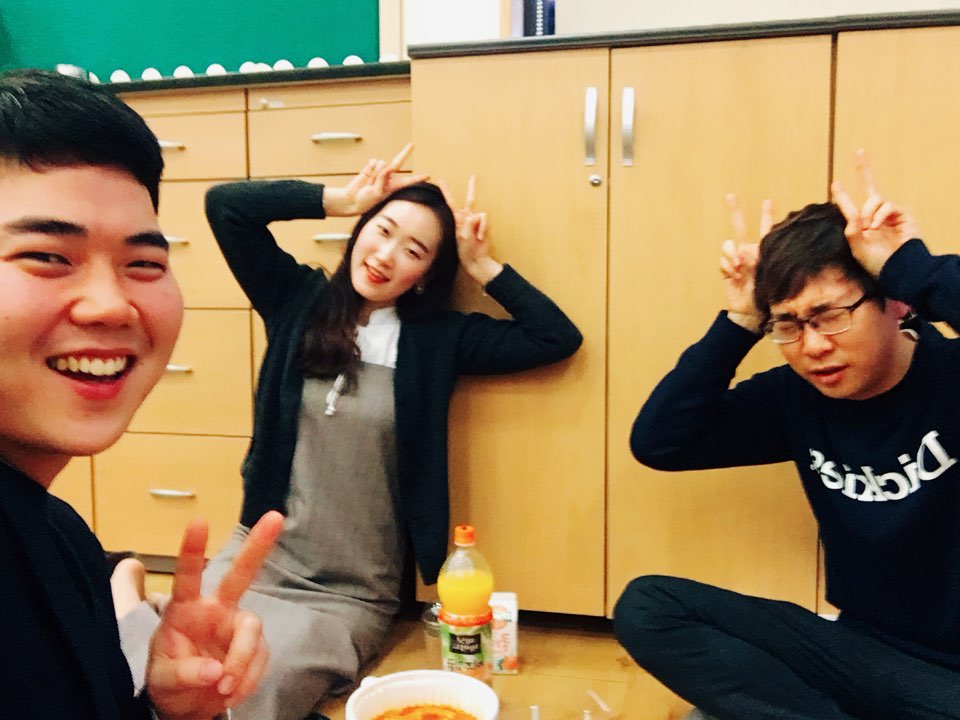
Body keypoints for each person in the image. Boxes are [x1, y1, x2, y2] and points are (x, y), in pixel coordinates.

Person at [117, 144, 583, 719]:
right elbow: (227, 207)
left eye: (413, 250)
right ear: (361, 229)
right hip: (259, 559)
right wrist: (337, 199)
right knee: (151, 668)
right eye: (382, 230)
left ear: (427, 274)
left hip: (352, 592)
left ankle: (136, 603)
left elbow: (555, 337)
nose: (385, 255)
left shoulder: (438, 340)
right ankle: (130, 599)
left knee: (242, 685)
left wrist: (482, 265)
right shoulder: (297, 300)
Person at [614, 152, 960, 720]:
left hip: (950, 680)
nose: (813, 346)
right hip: (857, 651)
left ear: (895, 302)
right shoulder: (796, 396)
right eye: (790, 324)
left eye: (830, 315)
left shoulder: (950, 375)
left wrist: (912, 266)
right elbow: (661, 442)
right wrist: (740, 320)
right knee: (649, 608)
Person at [0, 68, 284, 719]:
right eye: (47, 256)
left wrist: (167, 707)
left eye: (144, 264)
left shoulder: (61, 538)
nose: (111, 305)